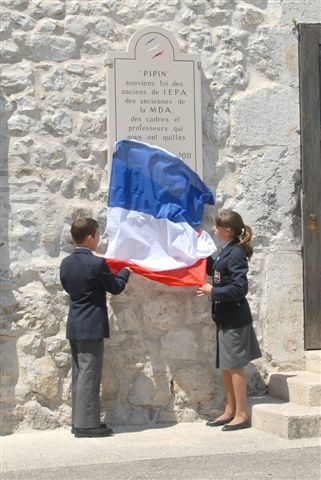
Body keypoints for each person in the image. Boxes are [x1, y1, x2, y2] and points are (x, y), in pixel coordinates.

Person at [60, 217, 131, 438]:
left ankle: (80, 421)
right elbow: (116, 287)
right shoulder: (96, 263)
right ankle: (86, 426)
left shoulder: (66, 263)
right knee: (89, 374)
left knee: (80, 374)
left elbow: (67, 287)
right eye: (98, 235)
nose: (99, 239)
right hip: (92, 325)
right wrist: (126, 271)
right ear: (90, 237)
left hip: (75, 323)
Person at [197, 209, 261, 431]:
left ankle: (241, 414)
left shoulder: (236, 253)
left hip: (235, 318)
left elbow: (239, 288)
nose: (213, 230)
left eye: (217, 227)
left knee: (235, 367)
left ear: (228, 231)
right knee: (226, 366)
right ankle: (229, 410)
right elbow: (213, 268)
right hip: (225, 317)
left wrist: (212, 291)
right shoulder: (225, 251)